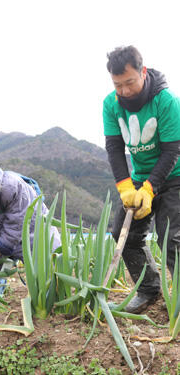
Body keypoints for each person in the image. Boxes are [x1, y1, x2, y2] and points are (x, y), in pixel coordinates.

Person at [103, 45, 180, 313]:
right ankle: (148, 291)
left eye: (129, 82)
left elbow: (172, 150)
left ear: (143, 72)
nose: (123, 90)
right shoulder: (110, 104)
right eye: (117, 84)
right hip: (139, 178)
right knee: (124, 235)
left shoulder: (166, 101)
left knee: (171, 239)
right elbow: (114, 147)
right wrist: (126, 186)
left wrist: (150, 188)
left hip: (175, 176)